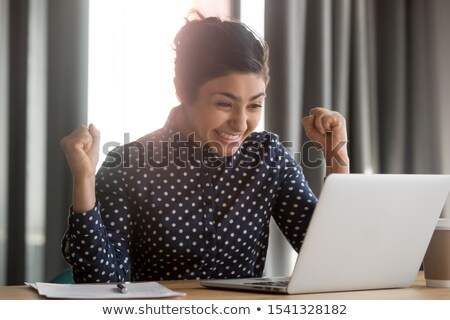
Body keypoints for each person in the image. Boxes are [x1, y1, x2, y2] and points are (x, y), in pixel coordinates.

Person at [60, 12, 349, 283]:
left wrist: (338, 160)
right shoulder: (128, 164)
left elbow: (333, 260)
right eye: (224, 103)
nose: (240, 124)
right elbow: (101, 285)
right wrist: (84, 181)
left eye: (254, 105)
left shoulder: (268, 157)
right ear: (182, 90)